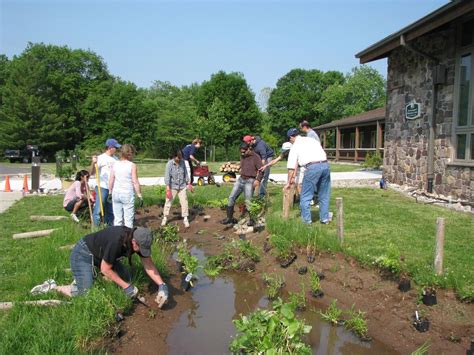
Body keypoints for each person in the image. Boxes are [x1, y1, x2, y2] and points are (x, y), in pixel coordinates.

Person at [30, 226, 169, 308]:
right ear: (134, 242)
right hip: (83, 253)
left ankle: (87, 277)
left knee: (128, 277)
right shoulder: (117, 241)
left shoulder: (137, 239)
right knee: (85, 294)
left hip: (101, 257)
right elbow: (105, 268)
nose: (141, 252)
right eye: (140, 248)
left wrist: (162, 286)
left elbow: (149, 264)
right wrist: (126, 287)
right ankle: (54, 286)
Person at [285, 128, 331, 224]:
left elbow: (291, 168)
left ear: (291, 138)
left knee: (305, 196)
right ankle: (324, 219)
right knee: (324, 194)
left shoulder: (295, 146)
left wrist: (288, 183)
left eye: (289, 139)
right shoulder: (311, 140)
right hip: (325, 165)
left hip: (312, 167)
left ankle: (306, 221)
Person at [221, 143, 262, 225]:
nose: (242, 154)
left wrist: (258, 180)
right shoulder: (242, 156)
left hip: (250, 181)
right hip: (241, 179)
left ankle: (252, 220)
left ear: (249, 149)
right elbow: (243, 165)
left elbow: (261, 169)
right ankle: (229, 218)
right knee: (231, 197)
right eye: (241, 152)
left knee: (248, 201)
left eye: (244, 152)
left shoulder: (256, 157)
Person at [109, 144, 143, 228]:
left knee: (117, 219)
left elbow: (111, 179)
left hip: (116, 193)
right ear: (130, 154)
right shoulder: (132, 165)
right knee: (128, 220)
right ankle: (127, 238)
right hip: (127, 194)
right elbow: (135, 181)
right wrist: (139, 195)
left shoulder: (115, 164)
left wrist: (110, 192)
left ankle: (116, 237)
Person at [90, 138, 121, 227]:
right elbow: (91, 172)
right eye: (116, 147)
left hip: (112, 188)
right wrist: (93, 163)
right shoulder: (101, 158)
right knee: (99, 208)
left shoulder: (116, 159)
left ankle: (110, 227)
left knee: (111, 209)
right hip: (102, 187)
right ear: (110, 147)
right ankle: (96, 227)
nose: (117, 149)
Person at [162, 150, 193, 229]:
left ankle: (185, 219)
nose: (179, 159)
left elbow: (185, 173)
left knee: (184, 202)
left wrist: (189, 184)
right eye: (178, 158)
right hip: (173, 186)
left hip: (182, 186)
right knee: (168, 202)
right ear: (174, 156)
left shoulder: (182, 162)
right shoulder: (169, 164)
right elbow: (167, 177)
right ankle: (165, 218)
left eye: (180, 158)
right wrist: (168, 189)